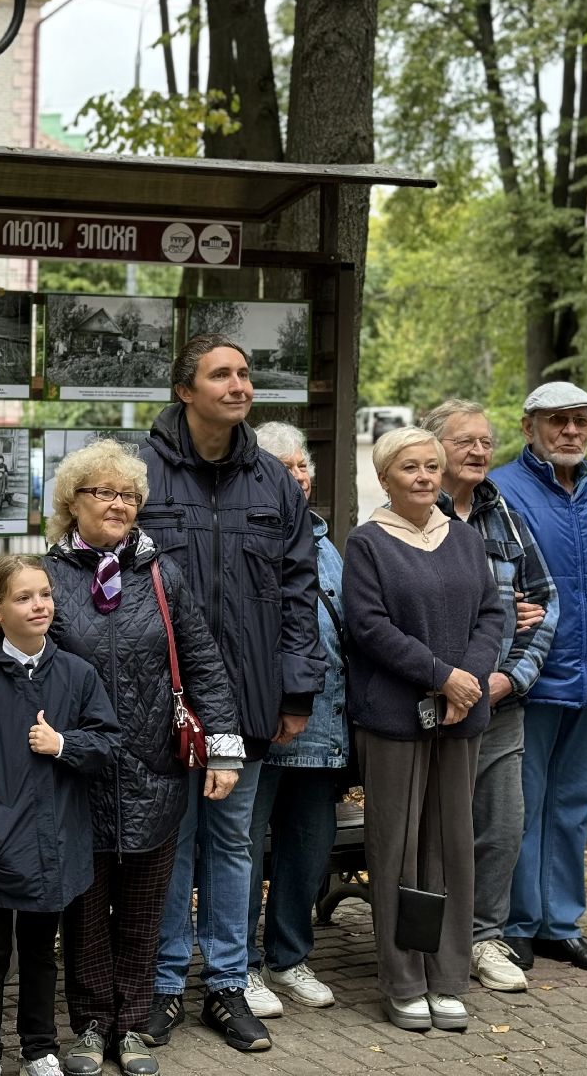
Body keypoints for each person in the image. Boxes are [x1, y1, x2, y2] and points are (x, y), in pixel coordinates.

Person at [139, 335, 326, 1053]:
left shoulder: (272, 481)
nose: (239, 385)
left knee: (232, 844)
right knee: (170, 843)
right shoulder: (141, 471)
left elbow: (299, 591)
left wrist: (296, 692)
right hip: (162, 701)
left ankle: (226, 984)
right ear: (185, 390)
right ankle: (163, 986)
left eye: (245, 373)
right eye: (221, 374)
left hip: (246, 701)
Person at [44, 440, 241, 1076]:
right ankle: (89, 1025)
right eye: (104, 492)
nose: (119, 504)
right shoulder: (47, 577)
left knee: (143, 912)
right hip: (78, 776)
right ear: (73, 501)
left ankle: (130, 1027)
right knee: (83, 915)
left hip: (155, 773)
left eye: (129, 495)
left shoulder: (162, 575)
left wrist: (224, 750)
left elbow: (203, 661)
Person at [343, 427, 504, 1033]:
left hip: (461, 717)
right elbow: (368, 626)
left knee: (452, 850)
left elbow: (491, 615)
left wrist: (468, 680)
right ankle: (405, 979)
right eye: (409, 467)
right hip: (395, 719)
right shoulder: (367, 543)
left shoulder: (464, 539)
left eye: (431, 466)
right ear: (384, 477)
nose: (423, 476)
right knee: (399, 852)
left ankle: (447, 977)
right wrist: (441, 677)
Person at [0, 555, 120, 1076]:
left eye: (44, 594)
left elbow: (107, 743)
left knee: (41, 953)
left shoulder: (77, 674)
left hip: (55, 845)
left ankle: (40, 1046)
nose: (39, 605)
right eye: (23, 597)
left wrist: (63, 744)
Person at [490, 383, 587, 974]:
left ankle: (561, 925)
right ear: (529, 428)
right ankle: (517, 923)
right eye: (557, 421)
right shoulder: (502, 488)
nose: (571, 431)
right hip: (530, 677)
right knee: (521, 805)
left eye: (580, 420)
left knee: (574, 804)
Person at [420, 400, 559, 993]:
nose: (479, 451)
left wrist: (512, 677)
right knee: (432, 831)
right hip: (432, 703)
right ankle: (427, 943)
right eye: (465, 441)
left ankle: (484, 938)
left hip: (501, 702)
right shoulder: (411, 513)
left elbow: (545, 600)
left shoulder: (503, 515)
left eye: (485, 441)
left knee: (501, 826)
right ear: (434, 448)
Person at [243, 422, 348, 1016]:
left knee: (308, 850)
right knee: (243, 849)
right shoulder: (247, 537)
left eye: (303, 464)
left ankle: (288, 958)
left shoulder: (327, 544)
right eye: (284, 466)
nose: (298, 476)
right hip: (264, 725)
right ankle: (242, 966)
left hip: (322, 727)